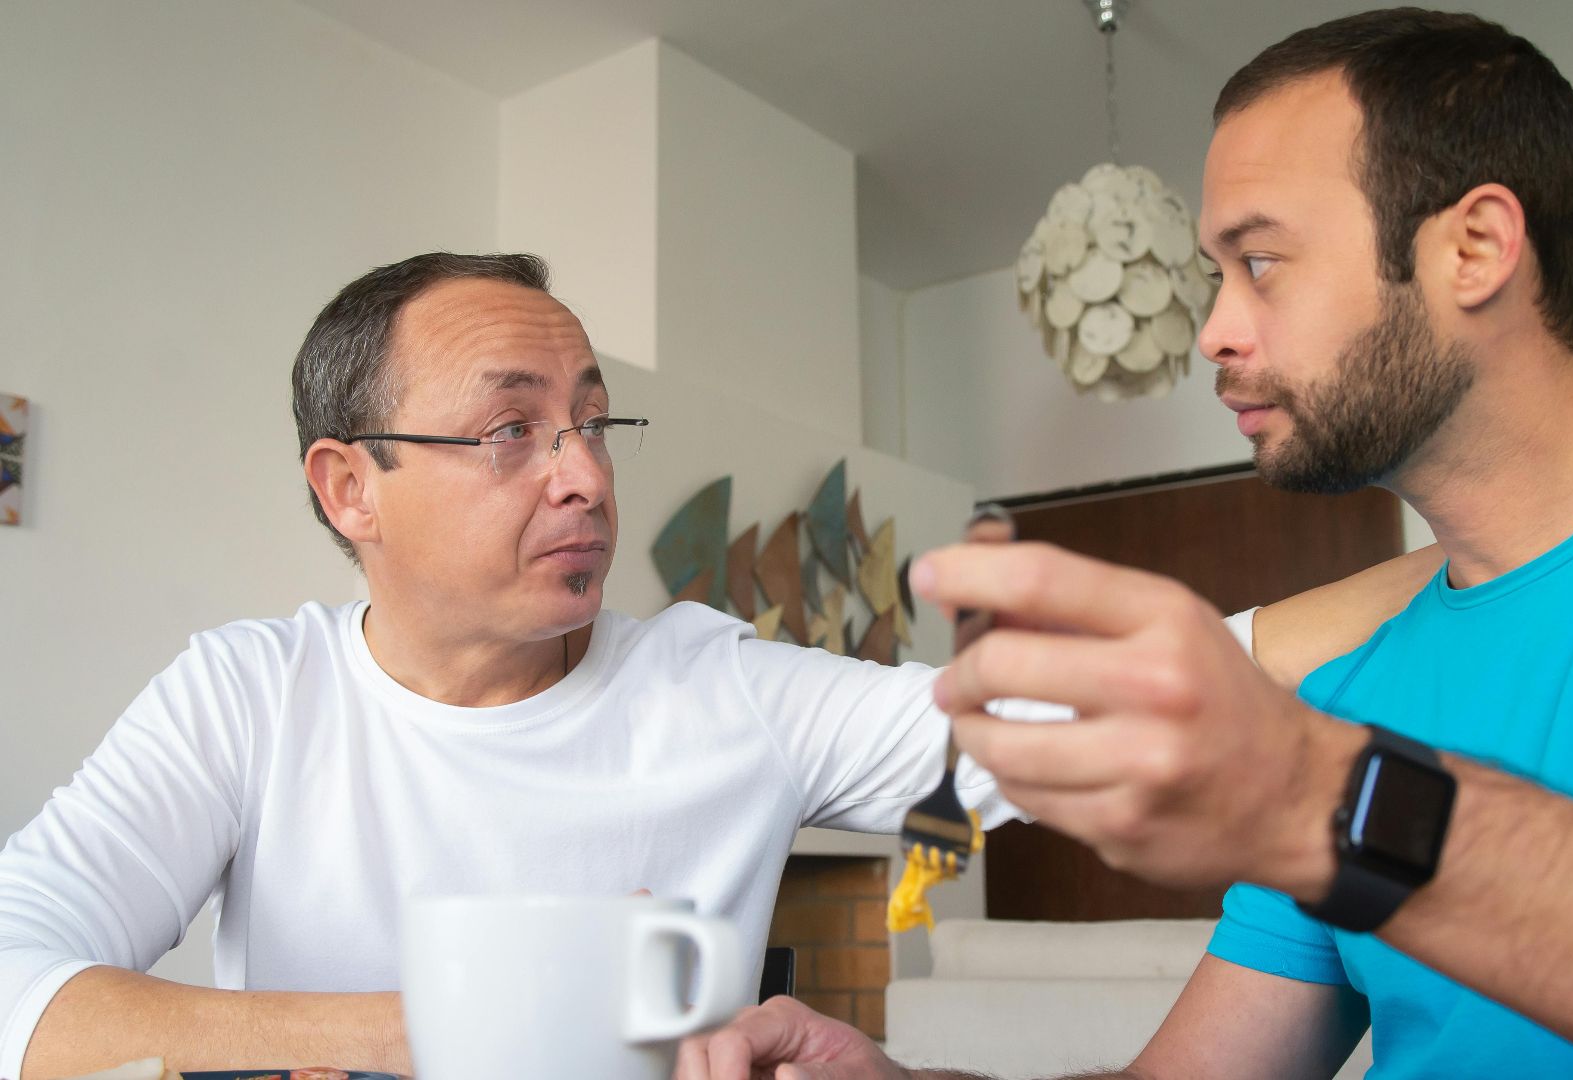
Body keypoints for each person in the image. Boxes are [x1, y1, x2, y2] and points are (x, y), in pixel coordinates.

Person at [678, 9, 1573, 1079]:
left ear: (1475, 248)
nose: (1216, 330)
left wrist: (1317, 797)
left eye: (1261, 262)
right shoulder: (1352, 699)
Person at [0, 253, 1014, 1079]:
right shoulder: (247, 696)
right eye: (510, 431)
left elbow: (1066, 736)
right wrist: (455, 1031)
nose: (585, 478)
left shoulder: (723, 690)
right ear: (351, 488)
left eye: (593, 424)